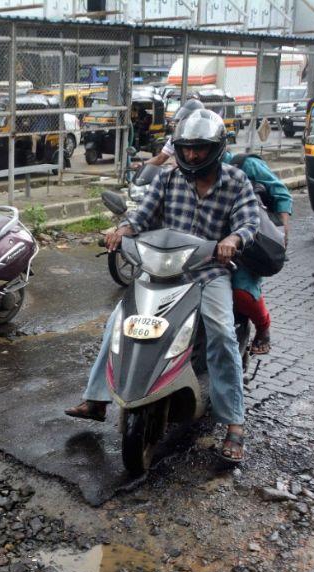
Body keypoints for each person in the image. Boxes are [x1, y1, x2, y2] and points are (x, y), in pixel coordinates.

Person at [65, 109, 260, 463]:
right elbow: (143, 215)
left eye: (199, 149)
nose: (191, 156)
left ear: (216, 148)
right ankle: (96, 399)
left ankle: (234, 423)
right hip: (162, 270)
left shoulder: (235, 181)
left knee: (220, 332)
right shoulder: (169, 179)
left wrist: (233, 238)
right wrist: (122, 230)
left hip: (208, 272)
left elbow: (249, 221)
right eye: (186, 149)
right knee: (117, 323)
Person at [221, 149, 292, 355]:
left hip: (245, 240)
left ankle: (263, 327)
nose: (193, 154)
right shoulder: (185, 167)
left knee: (242, 292)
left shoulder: (245, 164)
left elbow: (280, 193)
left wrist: (280, 232)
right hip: (204, 241)